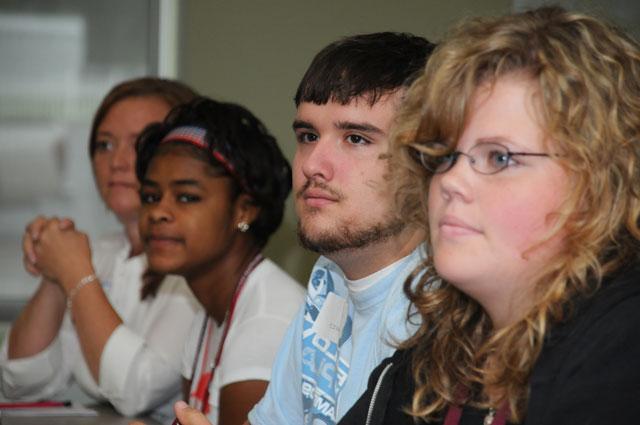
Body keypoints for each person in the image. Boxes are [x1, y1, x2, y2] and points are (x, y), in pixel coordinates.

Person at [338, 7, 640, 425]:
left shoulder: (624, 345)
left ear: (599, 181)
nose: (450, 180)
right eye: (443, 155)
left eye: (499, 157)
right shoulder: (444, 344)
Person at [239, 32, 435, 425]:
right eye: (308, 137)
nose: (313, 165)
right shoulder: (329, 279)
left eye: (356, 138)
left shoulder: (443, 308)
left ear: (427, 159)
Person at [0, 77, 201, 420]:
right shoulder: (103, 252)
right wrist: (54, 269)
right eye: (105, 145)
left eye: (140, 143)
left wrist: (75, 272)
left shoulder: (201, 260)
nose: (118, 161)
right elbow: (21, 382)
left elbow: (138, 391)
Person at [135, 97, 305, 425]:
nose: (158, 212)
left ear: (244, 210)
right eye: (151, 197)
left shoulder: (266, 325)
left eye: (187, 197)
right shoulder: (209, 308)